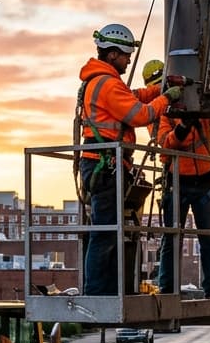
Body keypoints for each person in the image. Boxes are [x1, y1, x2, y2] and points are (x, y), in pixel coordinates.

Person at [77, 25, 183, 295]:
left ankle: (105, 289)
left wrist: (159, 88)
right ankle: (98, 292)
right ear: (113, 54)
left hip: (105, 163)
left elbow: (133, 97)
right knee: (105, 231)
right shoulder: (107, 83)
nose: (128, 61)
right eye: (126, 56)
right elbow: (140, 114)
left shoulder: (103, 82)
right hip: (105, 164)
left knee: (109, 230)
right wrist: (166, 98)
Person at [157, 108, 210, 298]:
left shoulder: (202, 112)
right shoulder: (166, 116)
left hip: (204, 181)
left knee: (209, 238)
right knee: (172, 238)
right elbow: (166, 143)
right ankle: (167, 290)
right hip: (178, 182)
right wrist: (183, 126)